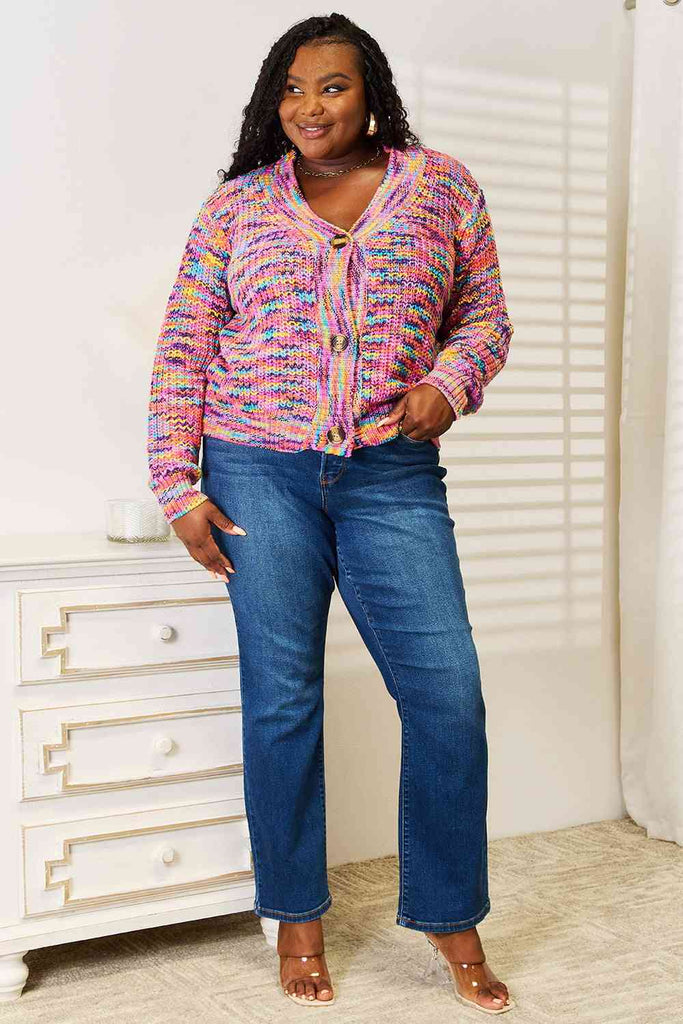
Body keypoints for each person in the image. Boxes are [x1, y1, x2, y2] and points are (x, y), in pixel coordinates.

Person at [147, 12, 515, 1015]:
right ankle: (297, 919)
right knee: (282, 699)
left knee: (447, 696)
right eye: (293, 89)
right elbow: (184, 345)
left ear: (371, 94)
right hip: (254, 473)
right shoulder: (236, 206)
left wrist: (448, 384)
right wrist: (179, 487)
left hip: (390, 475)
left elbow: (484, 314)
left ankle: (449, 917)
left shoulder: (439, 187)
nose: (310, 107)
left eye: (333, 86)